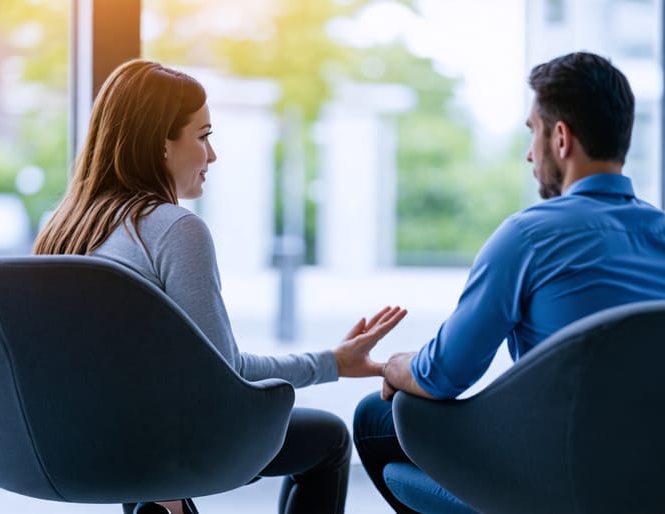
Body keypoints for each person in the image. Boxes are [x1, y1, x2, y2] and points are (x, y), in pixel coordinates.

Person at [33, 59, 407, 514]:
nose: (212, 156)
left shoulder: (63, 229)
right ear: (160, 144)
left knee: (145, 415)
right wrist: (330, 363)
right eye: (203, 136)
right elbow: (225, 373)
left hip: (76, 442)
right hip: (163, 446)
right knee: (327, 438)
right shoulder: (173, 229)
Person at [353, 51, 665, 513]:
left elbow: (443, 376)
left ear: (561, 138)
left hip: (555, 486)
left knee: (376, 417)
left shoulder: (528, 237)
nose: (530, 153)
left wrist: (393, 366)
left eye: (534, 132)